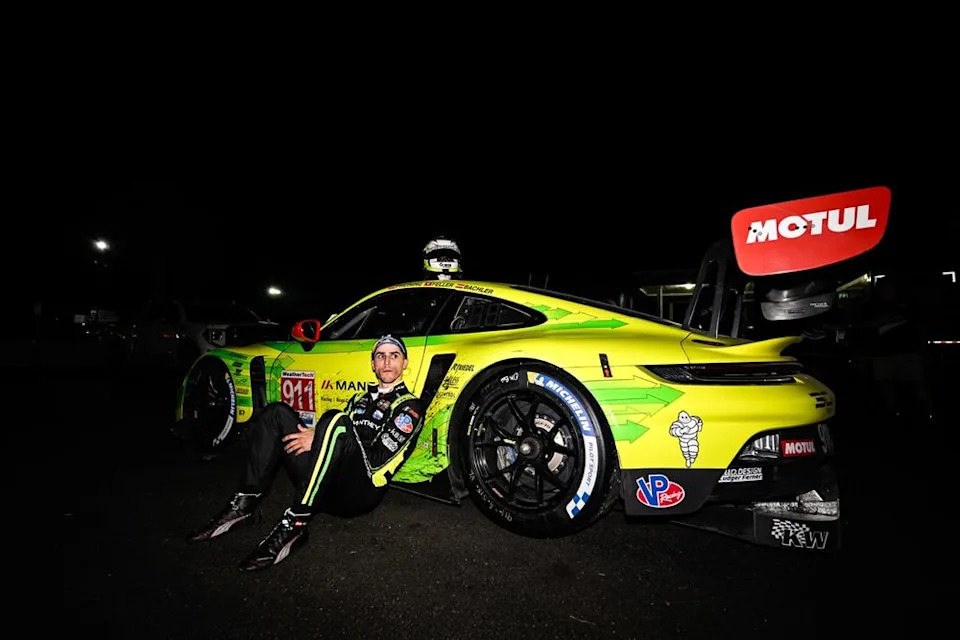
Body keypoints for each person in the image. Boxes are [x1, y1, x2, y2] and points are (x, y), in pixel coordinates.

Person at [187, 334, 425, 572]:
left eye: (394, 356)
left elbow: (374, 463)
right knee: (276, 413)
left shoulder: (409, 407)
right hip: (324, 486)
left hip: (359, 493)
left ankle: (296, 521)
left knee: (335, 419)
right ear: (372, 364)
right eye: (380, 356)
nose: (386, 362)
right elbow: (334, 441)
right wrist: (320, 437)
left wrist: (323, 436)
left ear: (404, 363)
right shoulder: (359, 399)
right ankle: (243, 506)